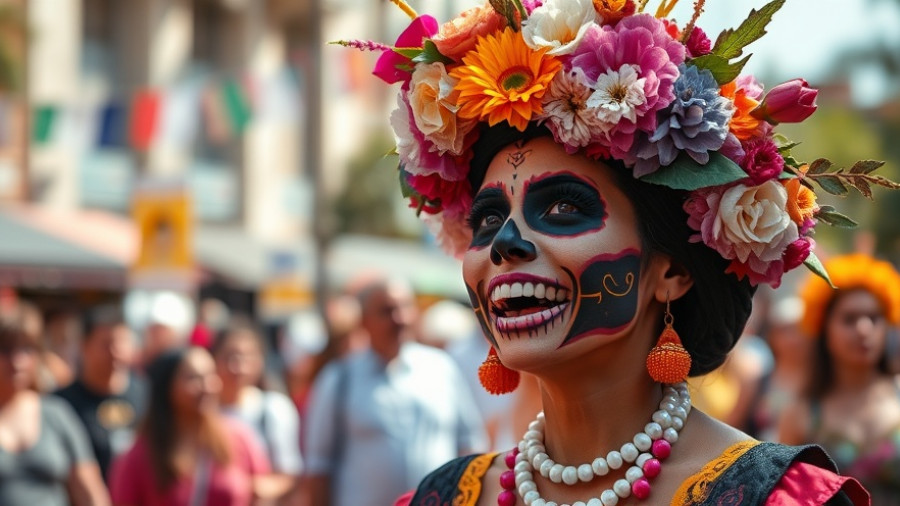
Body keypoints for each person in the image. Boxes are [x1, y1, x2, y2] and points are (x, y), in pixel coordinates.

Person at [340, 0, 900, 503]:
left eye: (562, 209)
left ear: (674, 271)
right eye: (488, 219)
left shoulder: (780, 499)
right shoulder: (442, 499)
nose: (506, 243)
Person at [302, 277, 487, 506]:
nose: (399, 318)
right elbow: (318, 466)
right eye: (387, 311)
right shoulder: (340, 379)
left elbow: (471, 443)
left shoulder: (441, 368)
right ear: (364, 321)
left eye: (404, 308)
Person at [779, 254, 900, 504]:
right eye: (850, 318)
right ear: (824, 328)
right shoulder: (801, 415)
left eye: (874, 318)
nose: (864, 329)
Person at [109, 347, 271, 506]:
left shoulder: (238, 437)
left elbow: (263, 487)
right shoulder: (141, 455)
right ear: (167, 387)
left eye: (210, 376)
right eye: (194, 379)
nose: (207, 386)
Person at [0, 302, 110, 506]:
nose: (17, 361)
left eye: (26, 349)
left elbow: (90, 492)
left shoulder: (56, 413)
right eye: (6, 350)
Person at [55, 304, 146, 483]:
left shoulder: (145, 393)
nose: (116, 352)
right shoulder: (62, 403)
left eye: (122, 343)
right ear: (84, 346)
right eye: (107, 344)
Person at [212, 323, 302, 504]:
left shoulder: (274, 409)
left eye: (247, 357)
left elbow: (291, 475)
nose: (238, 366)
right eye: (230, 356)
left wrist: (252, 488)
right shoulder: (203, 410)